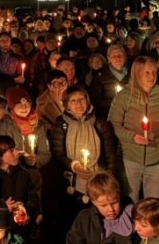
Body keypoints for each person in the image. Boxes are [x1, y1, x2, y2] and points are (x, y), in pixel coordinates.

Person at [108, 56, 159, 201]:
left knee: (153, 205)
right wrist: (131, 137)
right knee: (129, 202)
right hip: (130, 159)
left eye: (154, 72)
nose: (152, 76)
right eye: (147, 73)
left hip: (158, 159)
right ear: (137, 73)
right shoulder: (124, 97)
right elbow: (114, 124)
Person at [50, 86, 117, 220]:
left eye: (81, 99)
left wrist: (107, 178)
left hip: (97, 177)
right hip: (71, 181)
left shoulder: (100, 122)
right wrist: (74, 166)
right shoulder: (62, 123)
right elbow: (57, 152)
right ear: (67, 104)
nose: (78, 104)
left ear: (87, 100)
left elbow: (110, 153)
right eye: (73, 101)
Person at [0, 136, 39, 242]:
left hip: (20, 232)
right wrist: (3, 208)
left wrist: (28, 214)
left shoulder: (24, 173)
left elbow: (33, 199)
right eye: (11, 151)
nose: (16, 153)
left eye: (15, 149)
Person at [65, 172, 135, 244]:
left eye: (114, 203)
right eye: (104, 205)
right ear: (94, 202)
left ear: (119, 196)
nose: (111, 209)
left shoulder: (132, 215)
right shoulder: (85, 218)